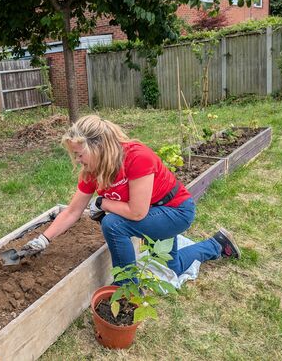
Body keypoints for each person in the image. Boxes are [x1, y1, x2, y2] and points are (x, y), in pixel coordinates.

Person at [23, 115, 240, 282]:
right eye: (75, 155)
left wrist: (102, 203)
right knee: (171, 268)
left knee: (113, 223)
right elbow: (72, 211)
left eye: (80, 154)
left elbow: (137, 213)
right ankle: (216, 245)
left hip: (175, 212)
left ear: (98, 147)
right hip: (153, 215)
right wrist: (43, 240)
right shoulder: (93, 170)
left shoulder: (136, 157)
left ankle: (126, 286)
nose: (78, 160)